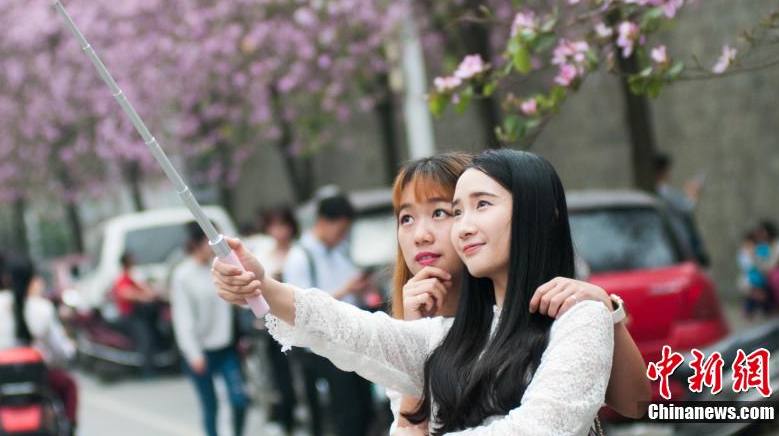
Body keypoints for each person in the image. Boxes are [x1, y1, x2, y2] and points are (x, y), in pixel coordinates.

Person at [215, 149, 615, 435]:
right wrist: (263, 285)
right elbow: (351, 330)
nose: (462, 226)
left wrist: (612, 309)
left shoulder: (577, 317)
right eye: (457, 211)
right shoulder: (442, 335)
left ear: (538, 214)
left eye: (476, 207)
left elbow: (542, 427)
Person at [387, 153, 650, 431]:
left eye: (441, 213)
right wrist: (412, 344)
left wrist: (608, 311)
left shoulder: (553, 301)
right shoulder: (414, 327)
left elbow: (635, 403)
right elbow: (409, 427)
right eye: (406, 218)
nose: (420, 235)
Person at [281, 193, 374, 436]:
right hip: (325, 349)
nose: (343, 235)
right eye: (341, 229)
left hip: (355, 339)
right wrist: (346, 290)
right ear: (322, 222)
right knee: (344, 411)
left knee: (365, 409)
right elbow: (300, 307)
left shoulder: (342, 250)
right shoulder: (300, 257)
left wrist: (361, 289)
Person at [0, 253, 77, 435]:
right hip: (41, 384)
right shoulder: (42, 308)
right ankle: (69, 428)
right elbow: (63, 352)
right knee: (69, 385)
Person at [171, 222, 249, 436]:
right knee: (211, 406)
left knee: (239, 400)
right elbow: (183, 318)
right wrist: (193, 353)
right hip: (201, 351)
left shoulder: (221, 267)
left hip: (227, 347)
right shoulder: (183, 275)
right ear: (198, 243)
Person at [256, 206, 300, 434]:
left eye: (283, 225)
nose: (279, 231)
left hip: (302, 321)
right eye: (275, 226)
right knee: (282, 375)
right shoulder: (265, 254)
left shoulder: (300, 252)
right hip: (276, 323)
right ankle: (286, 418)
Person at [653, 153, 710, 266]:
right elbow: (687, 207)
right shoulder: (663, 190)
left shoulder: (661, 191)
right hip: (677, 244)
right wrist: (693, 193)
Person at [112, 251, 160, 377]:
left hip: (140, 314)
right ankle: (147, 371)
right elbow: (126, 293)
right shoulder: (123, 278)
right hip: (129, 316)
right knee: (145, 338)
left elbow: (147, 289)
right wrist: (143, 296)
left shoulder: (134, 275)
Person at [737, 231, 772, 317]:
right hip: (752, 279)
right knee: (753, 294)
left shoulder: (762, 250)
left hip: (761, 278)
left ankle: (758, 308)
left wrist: (753, 254)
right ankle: (751, 309)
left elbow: (763, 265)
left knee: (759, 294)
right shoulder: (744, 253)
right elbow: (746, 266)